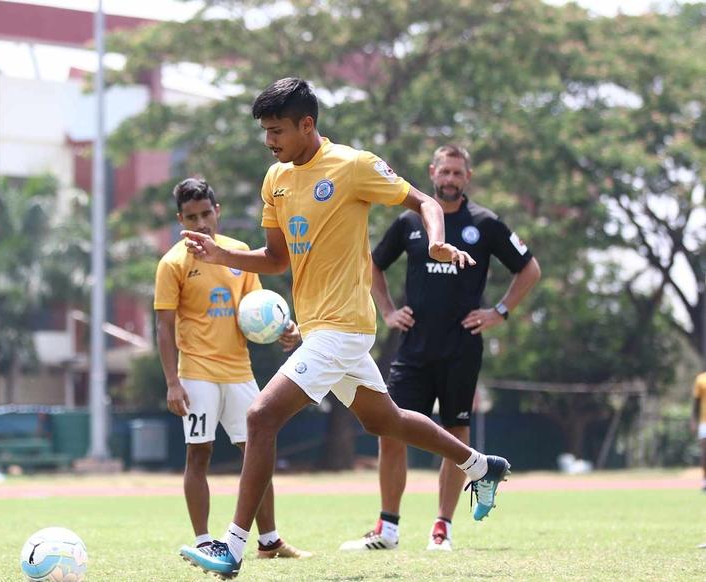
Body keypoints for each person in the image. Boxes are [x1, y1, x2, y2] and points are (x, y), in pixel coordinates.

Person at [177, 78, 512, 579]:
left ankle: (232, 547)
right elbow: (274, 258)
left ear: (306, 124)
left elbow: (424, 202)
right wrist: (222, 253)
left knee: (261, 417)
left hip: (345, 326)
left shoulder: (353, 165)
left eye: (277, 131)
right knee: (387, 421)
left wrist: (437, 241)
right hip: (320, 330)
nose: (270, 141)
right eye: (265, 132)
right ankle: (481, 466)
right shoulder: (276, 179)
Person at [340, 145, 541, 553]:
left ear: (467, 177)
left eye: (457, 173)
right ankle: (388, 528)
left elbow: (529, 269)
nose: (449, 179)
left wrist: (499, 312)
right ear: (432, 172)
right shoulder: (409, 220)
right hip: (412, 348)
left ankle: (442, 529)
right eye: (444, 172)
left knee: (455, 432)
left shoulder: (485, 223)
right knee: (390, 429)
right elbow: (372, 264)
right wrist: (389, 311)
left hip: (461, 348)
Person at [154, 178, 312, 561]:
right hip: (196, 374)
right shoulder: (172, 263)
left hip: (240, 371)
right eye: (192, 217)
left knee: (258, 450)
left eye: (206, 214)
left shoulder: (239, 254)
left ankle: (270, 540)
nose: (202, 223)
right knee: (199, 454)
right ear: (181, 220)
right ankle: (205, 539)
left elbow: (255, 312)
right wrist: (173, 382)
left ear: (217, 210)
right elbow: (164, 326)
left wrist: (283, 329)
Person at [693, 370, 706, 491]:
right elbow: (696, 402)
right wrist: (693, 420)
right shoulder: (701, 379)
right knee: (704, 452)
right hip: (704, 421)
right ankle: (704, 480)